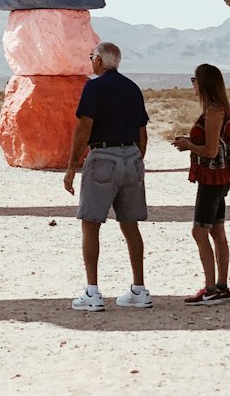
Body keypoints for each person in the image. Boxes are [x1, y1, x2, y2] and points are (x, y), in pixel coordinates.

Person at [64, 41, 152, 311]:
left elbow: (85, 126)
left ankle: (92, 292)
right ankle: (139, 289)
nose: (91, 61)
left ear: (100, 61)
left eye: (92, 57)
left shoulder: (94, 87)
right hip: (131, 158)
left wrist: (71, 167)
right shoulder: (132, 88)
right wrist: (138, 160)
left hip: (103, 157)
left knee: (90, 223)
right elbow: (142, 131)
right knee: (130, 223)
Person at [172, 63, 230, 304]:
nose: (192, 83)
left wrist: (188, 145)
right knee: (217, 231)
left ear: (203, 83)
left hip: (212, 177)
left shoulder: (213, 111)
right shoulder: (221, 109)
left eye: (194, 79)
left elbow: (211, 151)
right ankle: (221, 286)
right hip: (221, 177)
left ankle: (211, 288)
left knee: (199, 231)